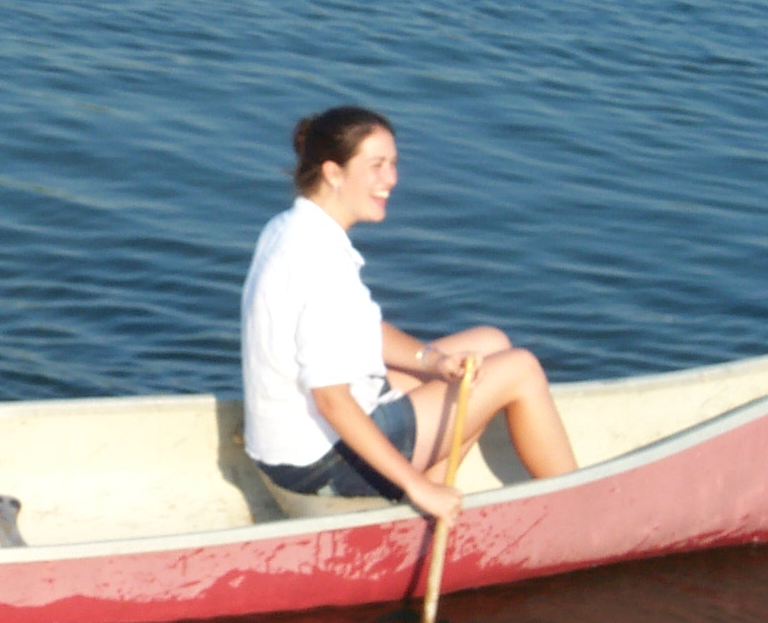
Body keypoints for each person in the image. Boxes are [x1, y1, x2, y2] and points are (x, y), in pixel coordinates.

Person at [241, 106, 576, 522]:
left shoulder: (290, 226)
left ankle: (422, 504)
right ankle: (577, 510)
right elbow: (331, 400)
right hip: (319, 464)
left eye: (393, 164)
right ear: (333, 173)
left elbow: (357, 327)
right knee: (520, 369)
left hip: (289, 443)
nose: (392, 179)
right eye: (376, 166)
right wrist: (416, 485)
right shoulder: (321, 261)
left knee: (490, 344)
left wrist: (432, 361)